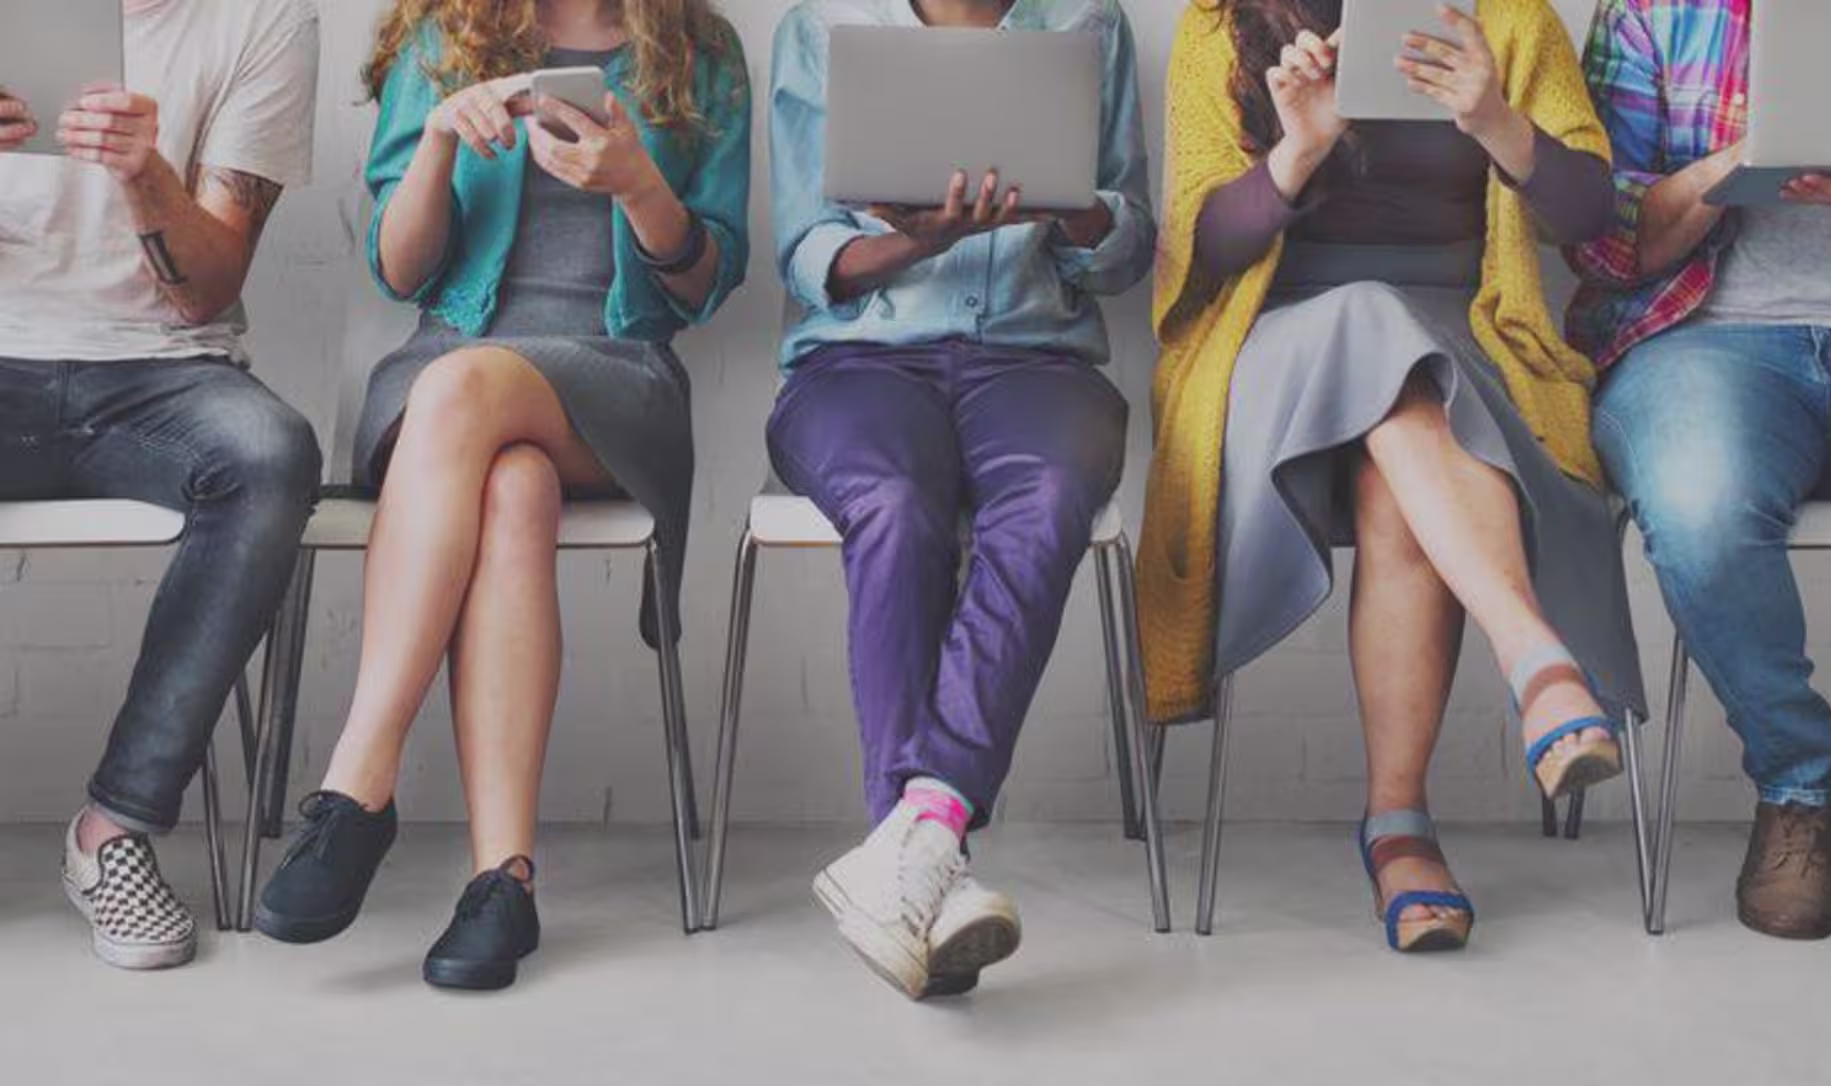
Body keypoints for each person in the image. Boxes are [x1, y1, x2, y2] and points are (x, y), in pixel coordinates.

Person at [251, 0, 749, 990]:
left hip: (615, 378)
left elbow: (705, 283)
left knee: (466, 387)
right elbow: (400, 272)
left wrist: (640, 187)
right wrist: (437, 140)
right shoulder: (445, 38)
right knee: (513, 487)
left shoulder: (699, 47)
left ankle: (359, 780)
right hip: (448, 373)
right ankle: (503, 881)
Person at [1138, 0, 1642, 952]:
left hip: (1460, 340)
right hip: (1273, 350)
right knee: (1374, 323)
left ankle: (1399, 828)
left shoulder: (1505, 17)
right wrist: (1299, 149)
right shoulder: (1218, 26)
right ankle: (1535, 659)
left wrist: (1494, 119)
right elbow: (1200, 252)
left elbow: (1587, 217)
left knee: (1402, 464)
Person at [768, 0, 1154, 999]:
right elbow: (808, 256)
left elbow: (1126, 248)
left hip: (1037, 359)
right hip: (857, 365)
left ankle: (918, 837)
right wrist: (918, 243)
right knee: (895, 504)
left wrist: (1070, 208)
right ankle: (930, 858)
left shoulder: (1085, 21)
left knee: (1054, 492)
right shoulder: (824, 22)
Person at [1572, 0, 1831, 947]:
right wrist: (1725, 172)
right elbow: (1601, 242)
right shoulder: (1654, 13)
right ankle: (1797, 784)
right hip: (1706, 343)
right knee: (1699, 504)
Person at [0, 0, 321, 971]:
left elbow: (207, 286)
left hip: (160, 369)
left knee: (270, 455)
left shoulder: (262, 20)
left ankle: (116, 831)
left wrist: (146, 177)